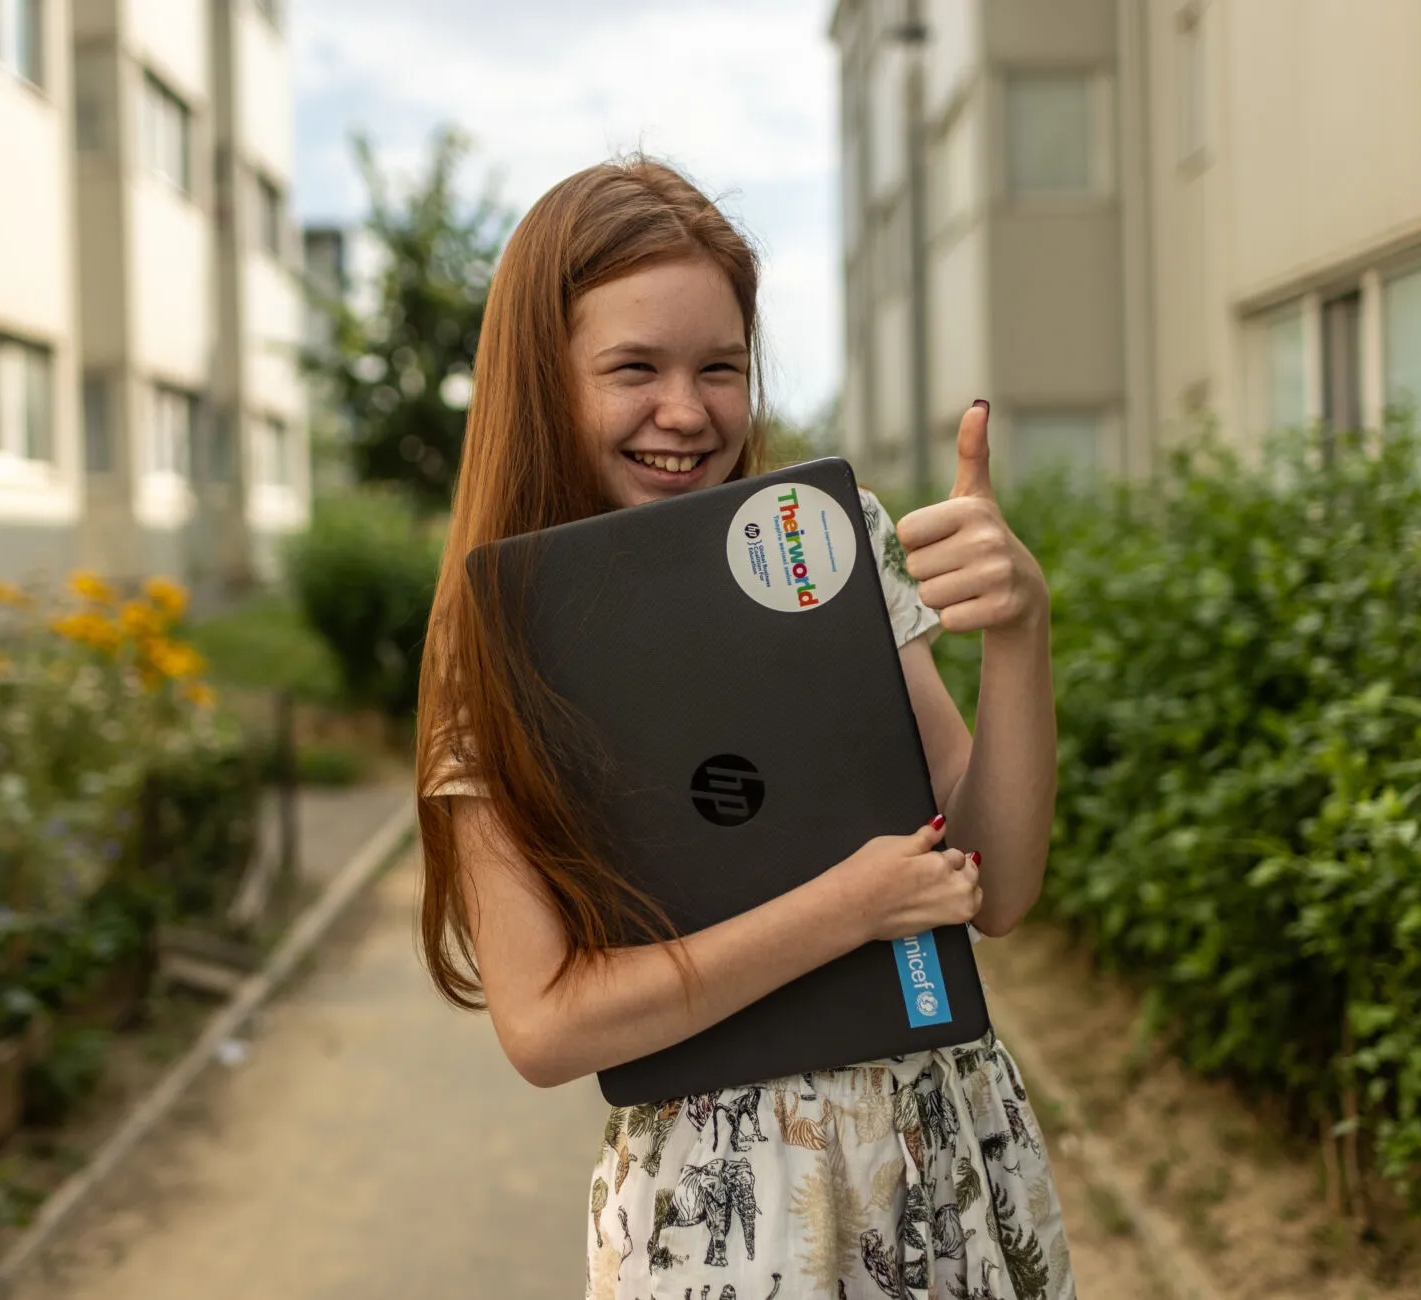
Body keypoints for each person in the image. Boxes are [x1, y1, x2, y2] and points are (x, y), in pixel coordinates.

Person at [415, 157, 1072, 1300]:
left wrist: (1018, 632)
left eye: (719, 366)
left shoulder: (826, 542)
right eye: (634, 368)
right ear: (542, 381)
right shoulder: (497, 649)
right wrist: (848, 908)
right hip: (725, 1222)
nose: (689, 410)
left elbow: (996, 883)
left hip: (949, 1157)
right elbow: (545, 1023)